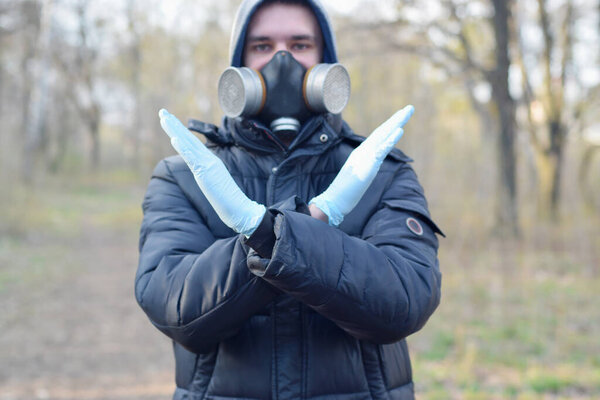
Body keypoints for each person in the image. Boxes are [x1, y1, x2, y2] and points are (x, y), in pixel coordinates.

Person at [135, 1, 443, 399]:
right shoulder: (183, 178)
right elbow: (177, 311)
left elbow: (405, 302)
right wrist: (305, 225)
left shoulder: (380, 171)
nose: (283, 62)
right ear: (239, 65)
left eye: (300, 45)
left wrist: (271, 238)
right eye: (262, 46)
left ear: (325, 61)